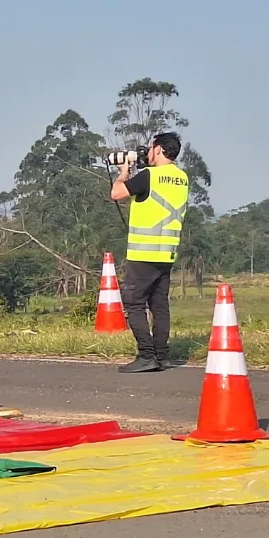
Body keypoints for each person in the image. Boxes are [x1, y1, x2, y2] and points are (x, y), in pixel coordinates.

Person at [111, 131, 190, 373]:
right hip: (166, 253)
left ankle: (146, 355)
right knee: (159, 305)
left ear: (157, 148)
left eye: (151, 148)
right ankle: (163, 355)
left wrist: (124, 171)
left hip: (142, 253)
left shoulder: (150, 175)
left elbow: (117, 193)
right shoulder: (182, 177)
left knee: (134, 304)